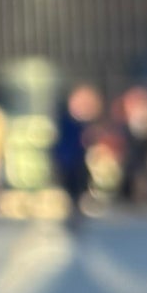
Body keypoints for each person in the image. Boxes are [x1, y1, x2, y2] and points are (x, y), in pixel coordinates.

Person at [52, 83, 101, 231]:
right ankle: (74, 215)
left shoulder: (68, 123)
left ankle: (75, 214)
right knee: (74, 190)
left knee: (75, 190)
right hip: (71, 162)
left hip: (72, 162)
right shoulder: (71, 124)